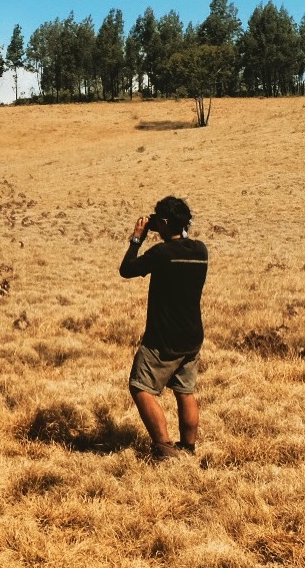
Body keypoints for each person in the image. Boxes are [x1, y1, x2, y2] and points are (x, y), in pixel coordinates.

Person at [119, 196, 208, 461]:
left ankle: (164, 449)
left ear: (166, 223)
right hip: (192, 335)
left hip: (163, 339)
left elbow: (127, 270)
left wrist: (137, 238)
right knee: (185, 391)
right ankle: (188, 448)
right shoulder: (201, 250)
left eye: (159, 219)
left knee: (140, 387)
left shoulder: (162, 254)